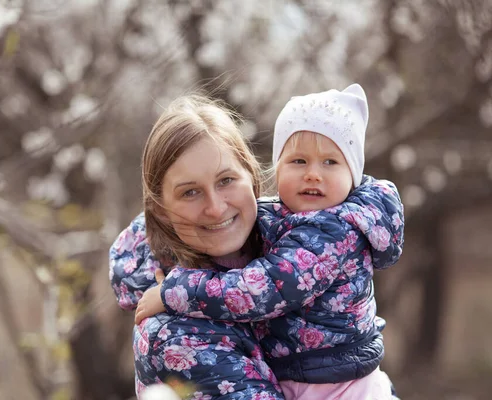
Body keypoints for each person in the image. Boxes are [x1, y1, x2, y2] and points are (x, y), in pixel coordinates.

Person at [135, 84, 404, 399]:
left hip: (334, 381)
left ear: (251, 177)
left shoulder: (329, 233)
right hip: (312, 374)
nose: (313, 175)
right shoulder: (175, 334)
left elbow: (263, 288)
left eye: (331, 162)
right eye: (298, 161)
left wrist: (175, 293)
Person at [109, 95, 284, 399]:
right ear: (161, 209)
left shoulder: (297, 256)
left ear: (251, 177)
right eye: (190, 192)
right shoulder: (173, 334)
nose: (215, 208)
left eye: (226, 180)